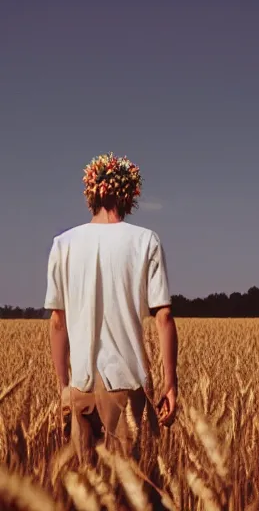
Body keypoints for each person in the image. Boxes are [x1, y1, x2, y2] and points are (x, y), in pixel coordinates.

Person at [44, 152, 178, 463]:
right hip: (125, 386)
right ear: (130, 194)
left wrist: (64, 387)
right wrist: (170, 385)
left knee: (84, 489)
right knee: (125, 492)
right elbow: (164, 316)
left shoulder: (62, 244)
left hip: (79, 386)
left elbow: (57, 321)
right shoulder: (146, 241)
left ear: (91, 193)